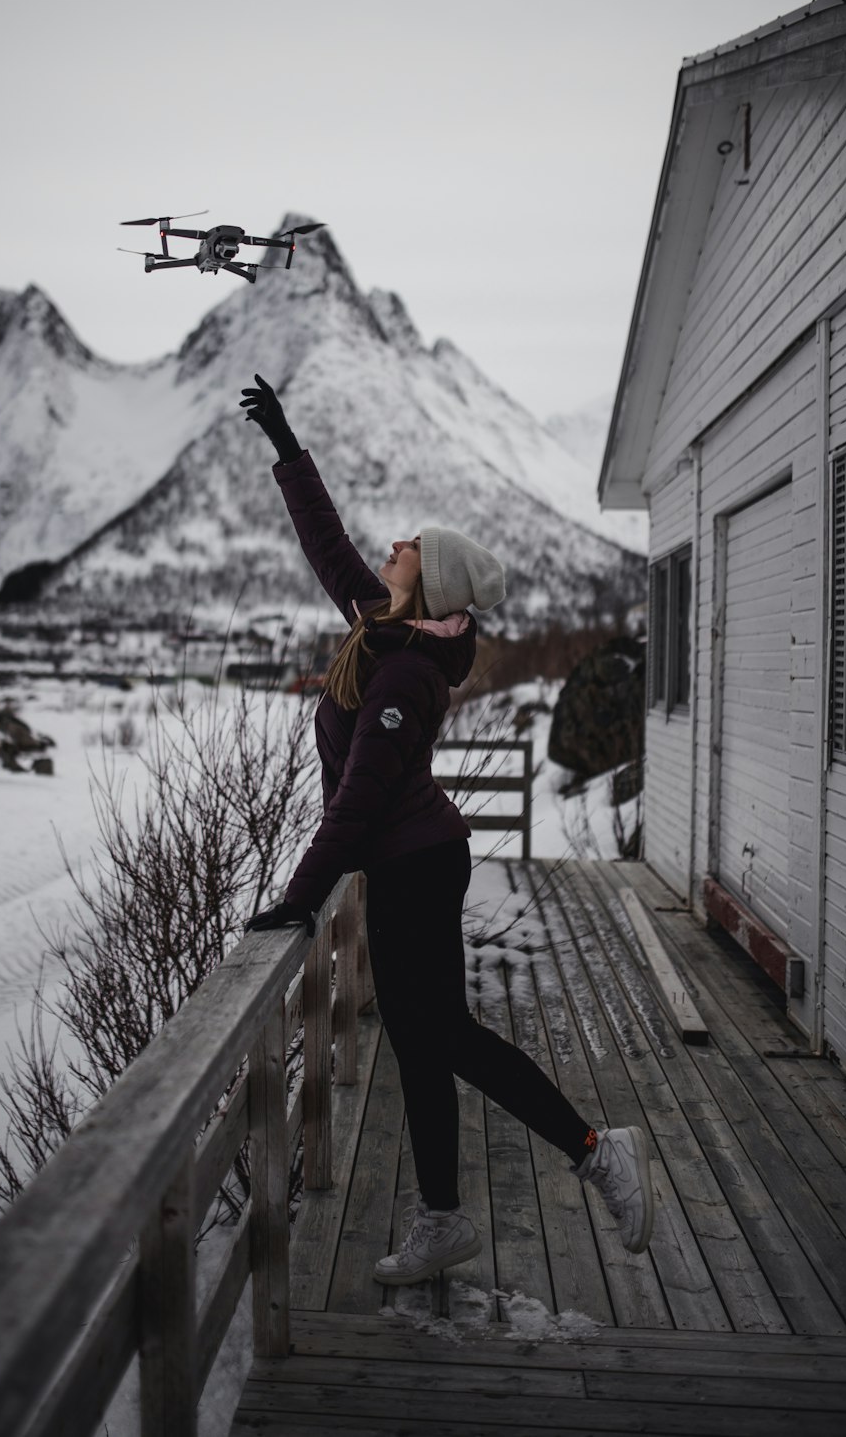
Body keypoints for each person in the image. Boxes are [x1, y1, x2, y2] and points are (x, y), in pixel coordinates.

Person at [239, 373, 654, 1283]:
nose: (391, 548)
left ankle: (597, 1152)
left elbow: (356, 803)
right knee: (424, 1038)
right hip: (410, 865)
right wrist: (287, 446)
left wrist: (299, 899)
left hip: (418, 868)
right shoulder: (388, 628)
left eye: (408, 549)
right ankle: (442, 1221)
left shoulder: (404, 675)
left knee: (445, 1037)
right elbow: (331, 547)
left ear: (428, 583)